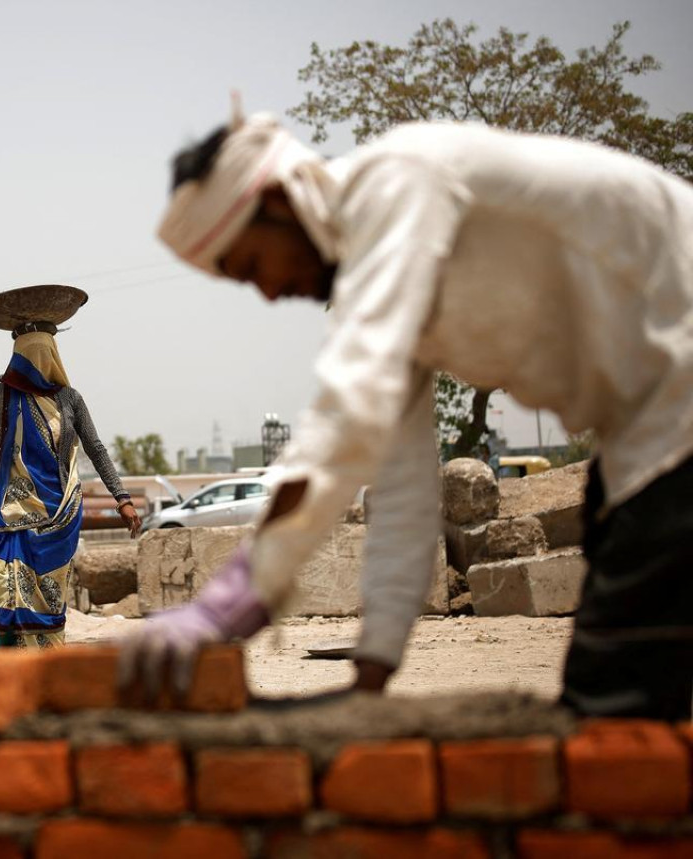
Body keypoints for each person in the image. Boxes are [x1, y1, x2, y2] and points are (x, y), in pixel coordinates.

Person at [121, 107, 693, 720]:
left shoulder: (397, 182)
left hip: (675, 403)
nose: (268, 293)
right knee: (625, 701)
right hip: (649, 431)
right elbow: (402, 495)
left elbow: (347, 413)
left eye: (255, 265)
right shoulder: (381, 288)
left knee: (614, 713)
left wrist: (234, 600)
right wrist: (371, 679)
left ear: (279, 203)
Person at [0, 307, 143, 648]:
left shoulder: (70, 400)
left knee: (46, 604)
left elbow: (96, 448)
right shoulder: (3, 396)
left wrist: (122, 498)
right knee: (6, 601)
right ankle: (7, 676)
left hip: (56, 521)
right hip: (8, 524)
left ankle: (43, 675)